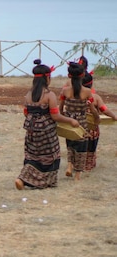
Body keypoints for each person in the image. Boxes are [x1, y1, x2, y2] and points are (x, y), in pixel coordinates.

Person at [15, 60, 80, 190]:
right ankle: (44, 182)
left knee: (32, 155)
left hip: (31, 130)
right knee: (50, 155)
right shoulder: (49, 95)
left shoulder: (29, 94)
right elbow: (55, 116)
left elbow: (26, 113)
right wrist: (70, 121)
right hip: (46, 131)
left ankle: (23, 179)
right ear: (47, 78)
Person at [58, 62, 97, 181]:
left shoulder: (65, 91)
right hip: (81, 122)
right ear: (83, 75)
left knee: (70, 144)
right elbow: (92, 109)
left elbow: (60, 108)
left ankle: (69, 165)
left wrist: (65, 117)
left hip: (69, 121)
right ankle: (77, 175)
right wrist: (96, 117)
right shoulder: (87, 92)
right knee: (81, 147)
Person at [82, 71, 117, 171]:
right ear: (91, 84)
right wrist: (114, 116)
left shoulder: (74, 96)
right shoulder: (95, 98)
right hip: (92, 130)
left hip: (78, 128)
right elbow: (104, 110)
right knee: (90, 149)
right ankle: (88, 166)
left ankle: (77, 165)